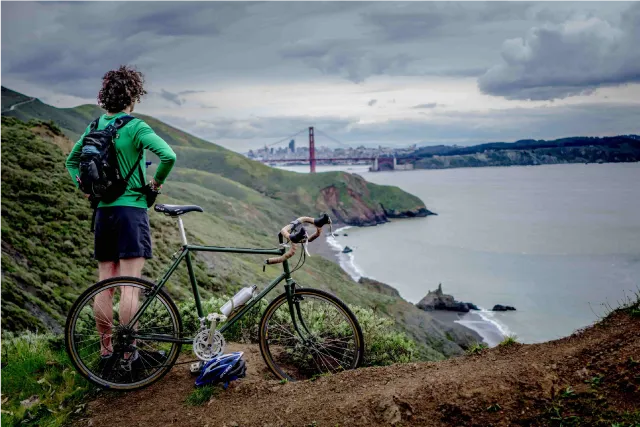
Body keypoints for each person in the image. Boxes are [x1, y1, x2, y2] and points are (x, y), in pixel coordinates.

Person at [65, 65, 177, 362]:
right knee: (130, 283)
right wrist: (156, 183)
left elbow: (71, 161)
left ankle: (105, 350)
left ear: (105, 97)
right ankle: (129, 354)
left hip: (103, 213)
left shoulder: (94, 127)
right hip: (131, 211)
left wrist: (86, 188)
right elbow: (168, 156)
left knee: (105, 283)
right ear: (133, 97)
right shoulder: (136, 127)